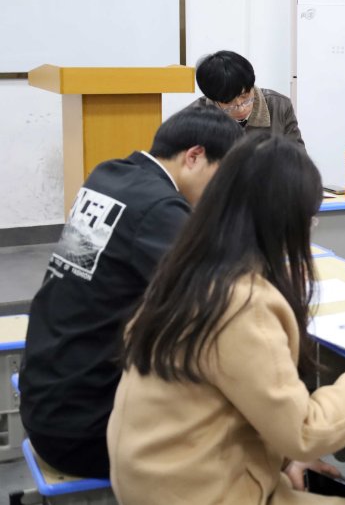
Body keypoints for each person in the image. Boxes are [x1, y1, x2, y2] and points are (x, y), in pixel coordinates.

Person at [107, 133, 345, 504]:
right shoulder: (242, 302)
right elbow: (305, 430)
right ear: (284, 223)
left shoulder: (190, 269)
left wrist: (279, 460)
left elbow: (241, 403)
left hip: (159, 479)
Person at [18, 107, 243, 479]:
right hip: (86, 429)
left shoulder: (109, 175)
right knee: (235, 424)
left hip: (48, 398)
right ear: (194, 156)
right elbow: (220, 296)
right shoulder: (159, 208)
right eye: (222, 179)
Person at [192, 49, 305, 146]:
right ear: (213, 99)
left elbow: (298, 158)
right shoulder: (194, 117)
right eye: (228, 103)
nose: (241, 108)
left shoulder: (278, 105)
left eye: (245, 97)